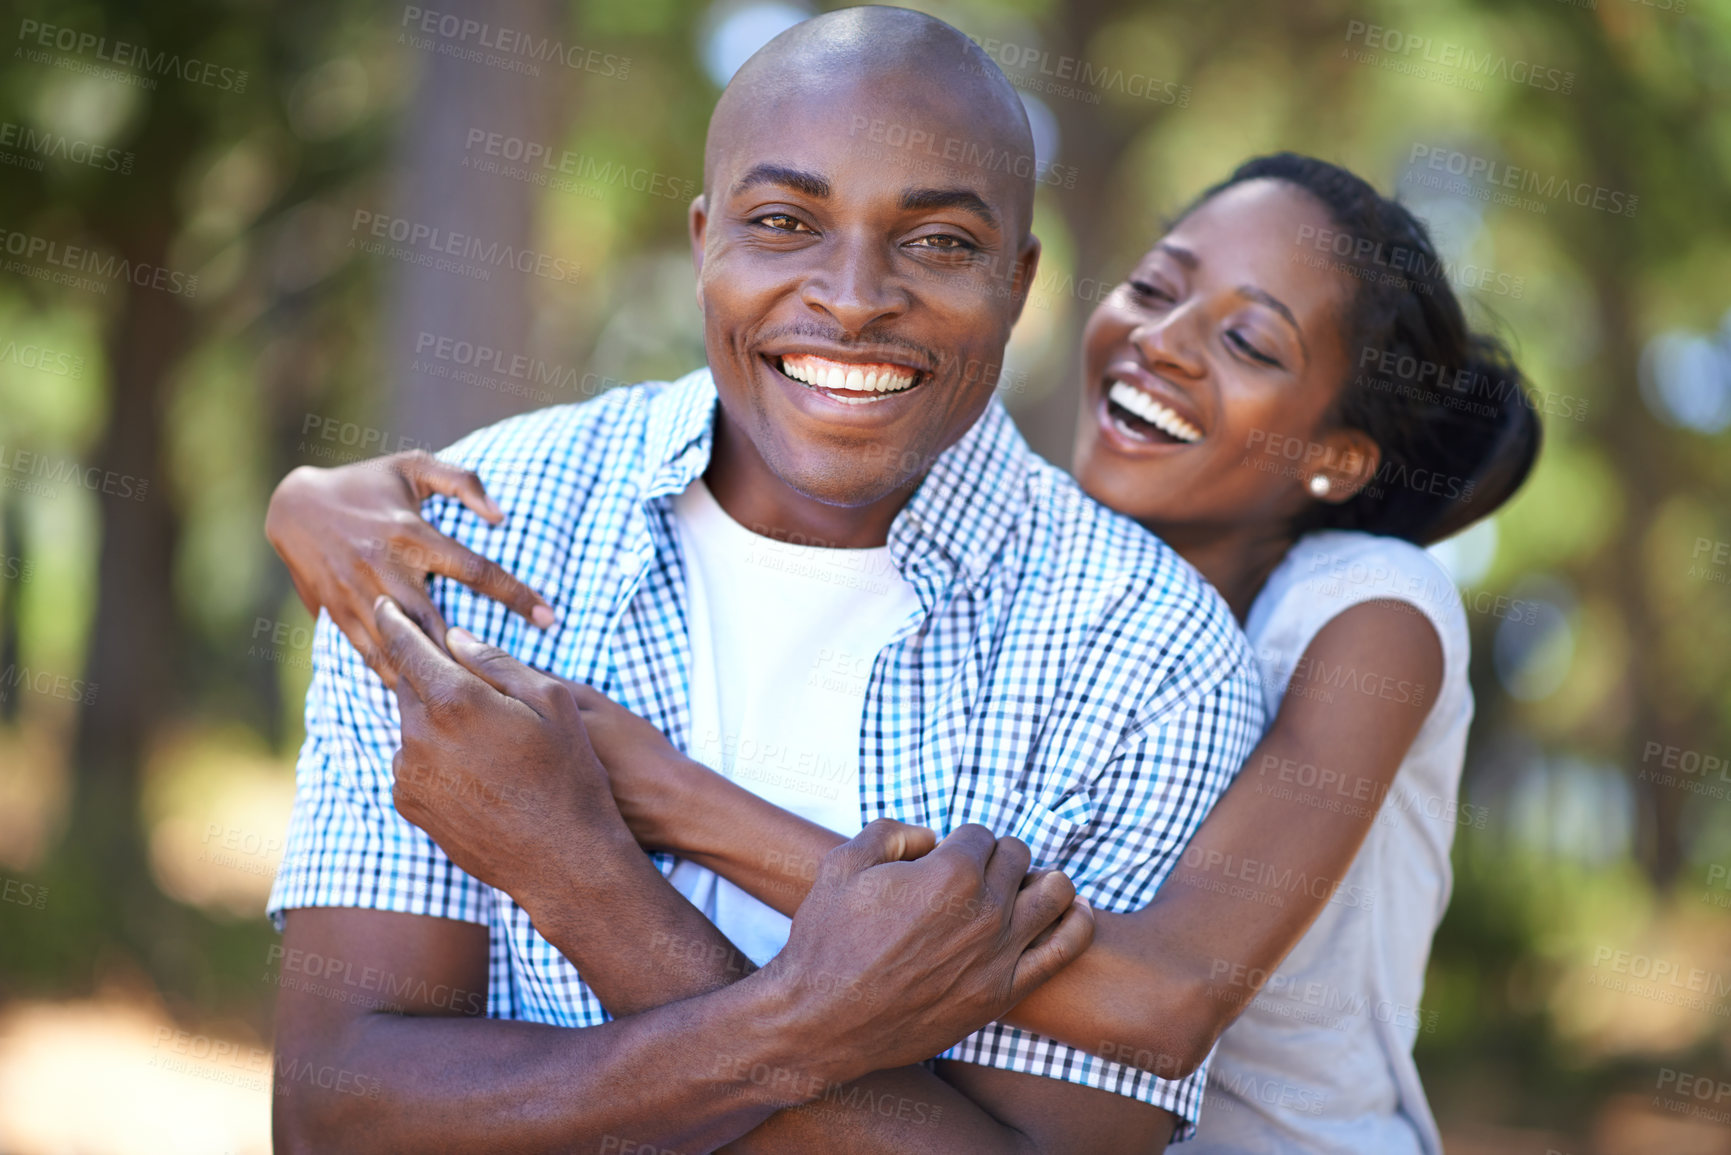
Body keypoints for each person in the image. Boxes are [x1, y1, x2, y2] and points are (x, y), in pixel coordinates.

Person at [274, 151, 1540, 1152]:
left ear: (1335, 455)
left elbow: (1159, 1003)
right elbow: (334, 1111)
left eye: (1249, 342)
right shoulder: (1036, 567)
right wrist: (309, 495)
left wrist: (653, 806)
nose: (1165, 340)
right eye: (1157, 288)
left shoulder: (1366, 607)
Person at [263, 8, 1263, 1153]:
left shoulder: (1146, 652)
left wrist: (580, 876)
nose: (850, 296)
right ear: (704, 244)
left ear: (1020, 280)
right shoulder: (473, 540)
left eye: (938, 242)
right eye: (783, 222)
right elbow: (335, 1117)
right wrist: (803, 1023)